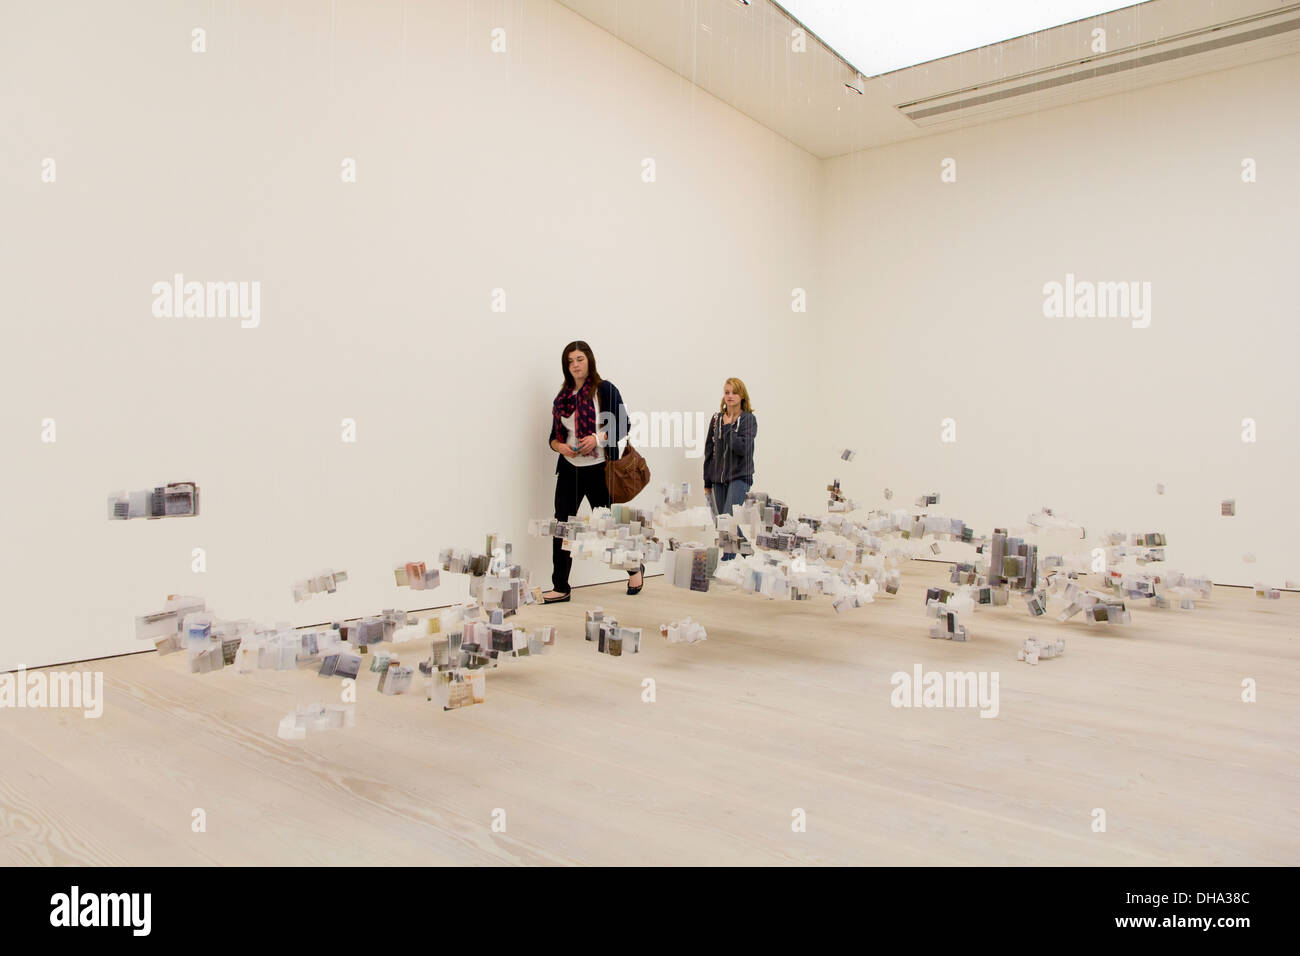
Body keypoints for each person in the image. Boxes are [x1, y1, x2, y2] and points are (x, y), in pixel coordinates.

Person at [542, 341, 644, 603]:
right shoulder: (563, 397)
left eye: (579, 359)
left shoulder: (604, 390)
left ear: (589, 360)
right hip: (569, 469)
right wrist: (562, 447)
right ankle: (561, 586)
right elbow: (553, 437)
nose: (575, 365)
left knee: (607, 527)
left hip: (599, 469)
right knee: (563, 526)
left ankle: (634, 567)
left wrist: (597, 439)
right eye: (570, 361)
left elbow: (623, 424)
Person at [703, 377, 757, 560]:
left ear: (742, 395)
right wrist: (707, 481)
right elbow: (709, 451)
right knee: (722, 521)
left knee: (727, 518)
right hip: (718, 479)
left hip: (740, 477)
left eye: (734, 392)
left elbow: (742, 448)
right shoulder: (716, 418)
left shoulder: (748, 419)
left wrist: (727, 428)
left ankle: (729, 560)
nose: (730, 396)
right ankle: (747, 554)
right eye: (727, 392)